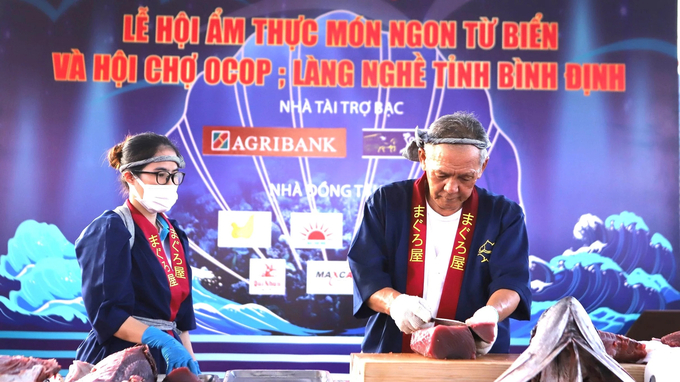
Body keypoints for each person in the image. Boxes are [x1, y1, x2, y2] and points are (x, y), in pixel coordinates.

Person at [347, 112, 531, 355]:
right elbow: (366, 274)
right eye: (441, 175)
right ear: (423, 158)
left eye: (466, 177)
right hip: (393, 352)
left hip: (475, 357)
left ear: (482, 166)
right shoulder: (387, 203)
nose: (451, 188)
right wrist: (396, 304)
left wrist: (492, 314)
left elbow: (512, 282)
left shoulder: (504, 215)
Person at [75, 132, 200, 374]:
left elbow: (181, 321)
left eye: (174, 176)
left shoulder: (174, 234)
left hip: (167, 357)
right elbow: (107, 314)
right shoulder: (111, 229)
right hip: (120, 359)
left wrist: (189, 362)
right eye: (160, 175)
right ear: (130, 176)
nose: (169, 183)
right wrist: (161, 340)